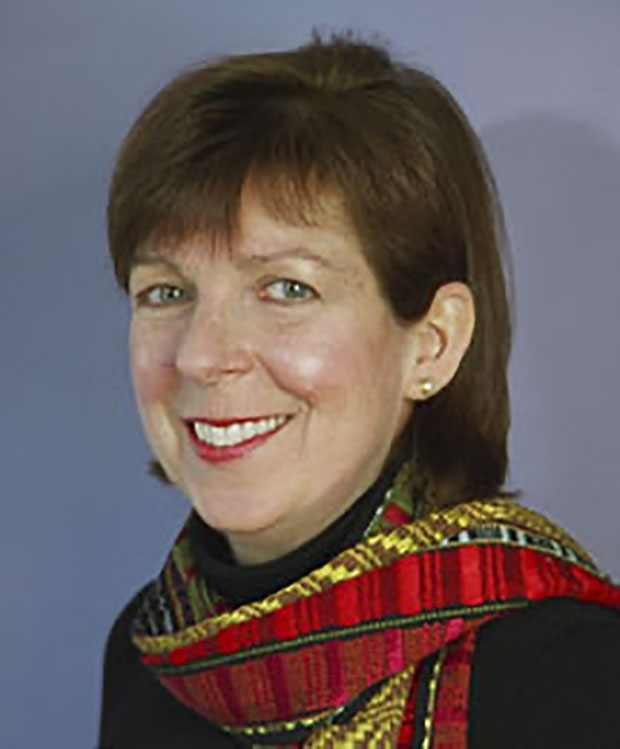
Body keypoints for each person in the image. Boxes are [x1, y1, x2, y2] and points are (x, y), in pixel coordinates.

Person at [98, 33, 620, 748]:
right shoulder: (146, 652)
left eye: (286, 287)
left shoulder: (561, 674)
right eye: (165, 290)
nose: (200, 355)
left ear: (432, 342)